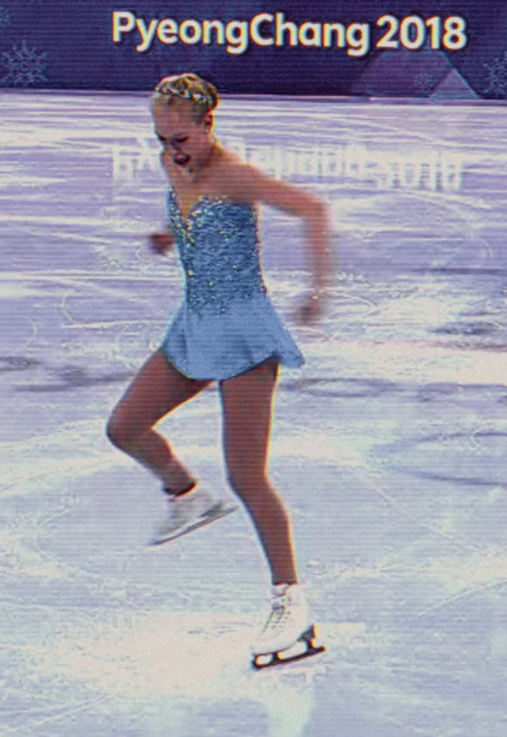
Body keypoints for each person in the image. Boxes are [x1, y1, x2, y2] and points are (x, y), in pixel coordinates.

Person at [107, 73, 332, 669]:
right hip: (196, 323)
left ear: (209, 126)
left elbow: (312, 210)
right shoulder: (175, 166)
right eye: (161, 140)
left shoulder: (233, 174)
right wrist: (169, 235)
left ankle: (292, 600)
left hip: (244, 334)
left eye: (181, 139)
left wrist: (317, 292)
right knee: (125, 427)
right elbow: (197, 226)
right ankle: (186, 494)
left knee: (248, 476)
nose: (171, 151)